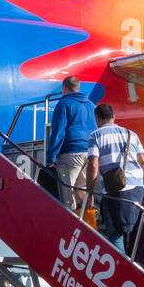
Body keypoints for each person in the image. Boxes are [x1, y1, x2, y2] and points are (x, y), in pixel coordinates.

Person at [83, 104, 144, 252]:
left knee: (115, 233)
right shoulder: (131, 135)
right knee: (130, 232)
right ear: (114, 117)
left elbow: (93, 165)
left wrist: (90, 193)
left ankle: (121, 268)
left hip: (114, 188)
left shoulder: (95, 135)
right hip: (137, 188)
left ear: (97, 119)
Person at [43, 75, 95, 213]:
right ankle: (91, 215)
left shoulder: (64, 104)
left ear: (64, 88)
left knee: (65, 189)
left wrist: (50, 157)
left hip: (72, 151)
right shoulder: (91, 105)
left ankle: (71, 216)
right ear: (78, 88)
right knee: (81, 187)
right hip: (90, 152)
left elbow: (58, 132)